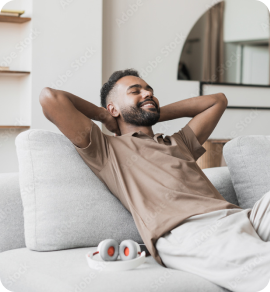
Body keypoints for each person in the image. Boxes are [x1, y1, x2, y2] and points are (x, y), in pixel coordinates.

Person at [39, 69, 270, 292]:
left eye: (149, 90)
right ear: (113, 108)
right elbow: (50, 98)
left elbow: (218, 100)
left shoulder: (179, 143)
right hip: (190, 231)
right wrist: (104, 116)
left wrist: (152, 112)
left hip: (243, 216)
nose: (147, 93)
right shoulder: (107, 150)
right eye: (135, 91)